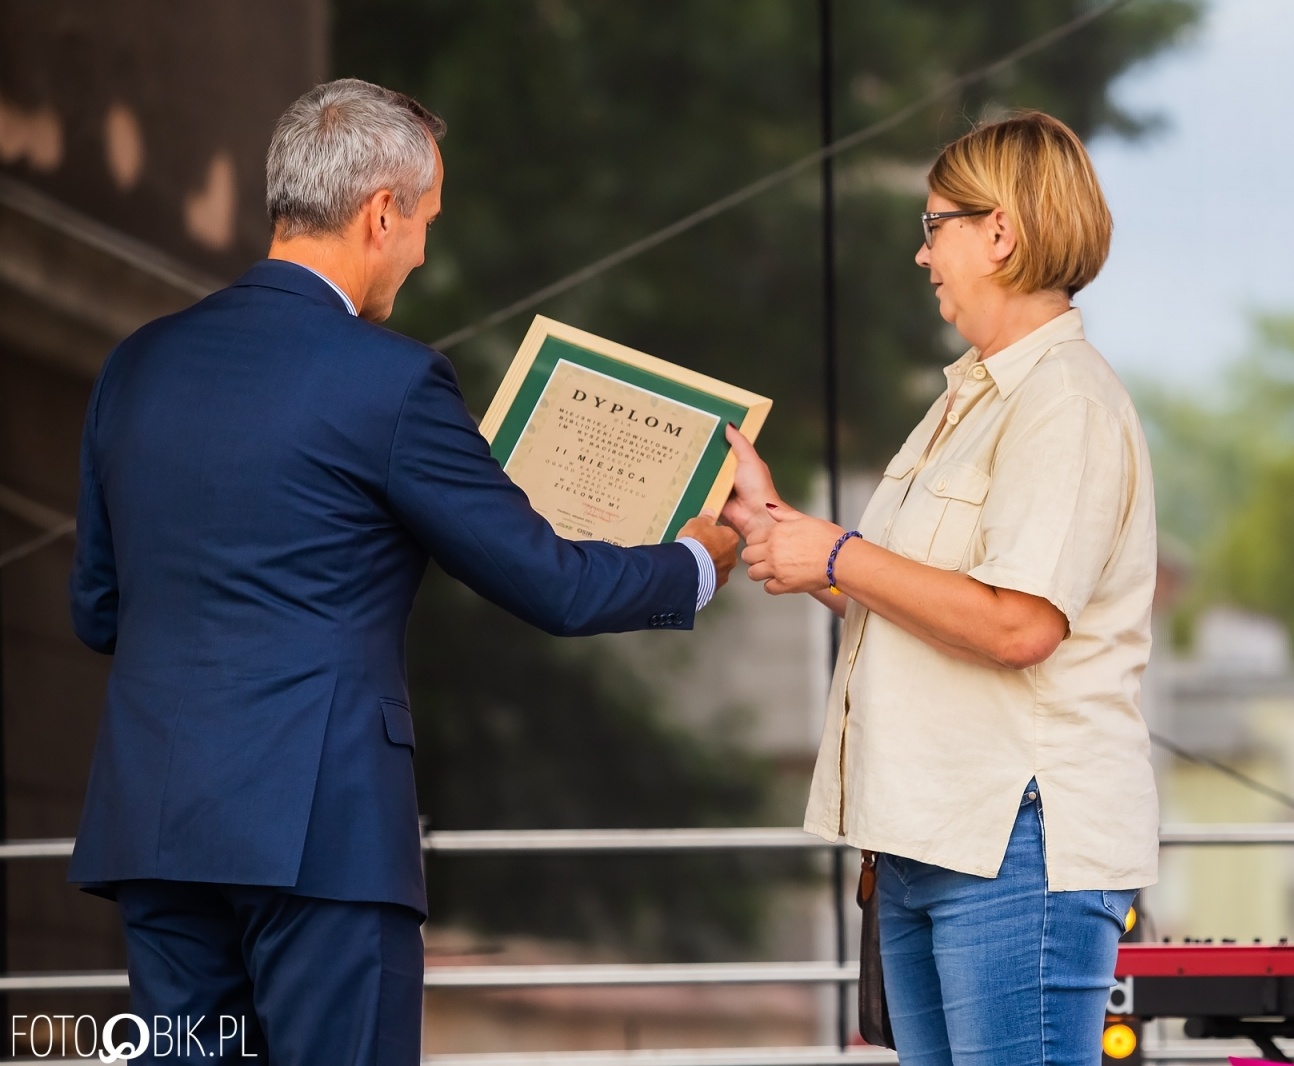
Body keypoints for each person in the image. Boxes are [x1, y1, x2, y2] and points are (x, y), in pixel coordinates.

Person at [67, 78, 738, 1064]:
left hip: (158, 830)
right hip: (321, 841)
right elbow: (553, 583)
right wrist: (698, 561)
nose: (423, 248)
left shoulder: (138, 364)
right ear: (382, 212)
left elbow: (96, 610)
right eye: (426, 219)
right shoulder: (390, 380)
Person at [721, 111, 1158, 1066]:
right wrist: (779, 531)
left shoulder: (1065, 401)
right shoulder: (972, 399)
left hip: (1015, 839)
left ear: (998, 231)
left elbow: (1016, 625)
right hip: (928, 832)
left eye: (933, 228)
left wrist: (835, 556)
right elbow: (921, 601)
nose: (923, 257)